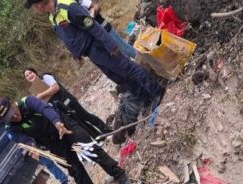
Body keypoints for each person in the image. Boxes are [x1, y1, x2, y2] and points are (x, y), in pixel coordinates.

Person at [0, 95, 130, 184]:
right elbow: (24, 141)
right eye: (9, 117)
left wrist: (57, 123)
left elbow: (45, 109)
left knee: (90, 149)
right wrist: (33, 148)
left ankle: (119, 174)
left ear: (13, 104)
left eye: (13, 112)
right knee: (74, 169)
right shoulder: (10, 129)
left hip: (63, 125)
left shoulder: (27, 102)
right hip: (52, 142)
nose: (14, 117)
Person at [25, 0, 164, 110]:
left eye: (34, 6)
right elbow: (66, 36)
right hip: (90, 52)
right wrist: (75, 53)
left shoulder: (67, 7)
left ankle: (156, 91)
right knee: (118, 77)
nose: (34, 9)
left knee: (127, 68)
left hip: (97, 44)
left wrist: (110, 45)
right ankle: (146, 98)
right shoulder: (52, 17)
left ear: (40, 3)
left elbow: (92, 25)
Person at [24, 68, 111, 135]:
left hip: (66, 100)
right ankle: (97, 136)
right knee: (79, 122)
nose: (29, 76)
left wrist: (41, 95)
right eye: (27, 76)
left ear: (35, 72)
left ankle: (106, 129)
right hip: (60, 107)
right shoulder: (33, 90)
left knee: (84, 115)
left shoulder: (45, 77)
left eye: (30, 73)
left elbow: (55, 88)